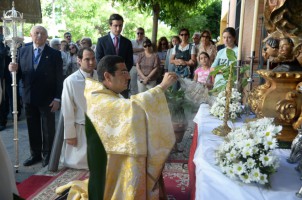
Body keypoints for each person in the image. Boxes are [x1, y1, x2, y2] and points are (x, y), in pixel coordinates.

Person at [76, 55, 176, 199]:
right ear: (107, 76)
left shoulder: (107, 93)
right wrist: (161, 87)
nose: (128, 76)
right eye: (123, 72)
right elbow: (131, 107)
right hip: (113, 159)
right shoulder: (100, 98)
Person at [9, 25, 63, 167]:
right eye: (36, 33)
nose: (39, 36)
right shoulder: (23, 51)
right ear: (31, 35)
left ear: (46, 37)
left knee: (47, 129)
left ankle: (48, 156)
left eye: (42, 33)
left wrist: (57, 98)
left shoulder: (54, 54)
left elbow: (59, 78)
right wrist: (13, 70)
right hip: (29, 96)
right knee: (32, 128)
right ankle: (35, 155)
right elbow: (20, 75)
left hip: (48, 98)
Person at [60, 47, 98, 169]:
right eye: (87, 59)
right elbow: (67, 109)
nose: (91, 62)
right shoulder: (70, 81)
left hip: (100, 128)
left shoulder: (101, 77)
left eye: (93, 59)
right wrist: (70, 135)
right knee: (79, 164)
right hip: (81, 128)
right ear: (79, 60)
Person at [95, 13, 133, 98]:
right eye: (115, 25)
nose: (118, 28)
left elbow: (129, 61)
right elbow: (99, 60)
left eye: (120, 26)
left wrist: (122, 74)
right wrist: (111, 76)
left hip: (122, 80)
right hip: (107, 80)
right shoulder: (102, 41)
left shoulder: (127, 42)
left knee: (122, 104)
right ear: (110, 26)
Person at [130, 27, 145, 96]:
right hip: (133, 66)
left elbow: (146, 53)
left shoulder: (145, 42)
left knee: (141, 85)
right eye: (138, 33)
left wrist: (135, 51)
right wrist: (141, 49)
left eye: (141, 33)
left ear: (143, 34)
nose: (139, 35)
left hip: (142, 67)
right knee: (133, 85)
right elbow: (130, 51)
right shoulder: (131, 42)